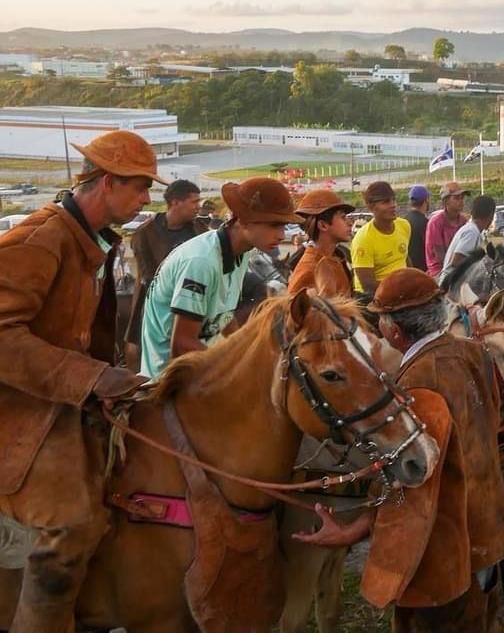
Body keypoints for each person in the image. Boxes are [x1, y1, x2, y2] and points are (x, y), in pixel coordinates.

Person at [294, 268, 504, 631]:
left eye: (379, 321)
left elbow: (411, 484)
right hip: (488, 528)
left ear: (394, 331)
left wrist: (353, 531)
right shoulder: (474, 352)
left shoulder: (415, 383)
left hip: (444, 554)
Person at [0, 130, 158, 630]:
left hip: (55, 400)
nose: (146, 200)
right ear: (108, 182)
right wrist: (91, 377)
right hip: (17, 408)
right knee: (72, 524)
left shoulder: (86, 238)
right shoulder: (41, 239)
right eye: (140, 187)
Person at [139, 178, 300, 378]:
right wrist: (238, 365)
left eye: (284, 226)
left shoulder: (241, 252)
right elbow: (182, 345)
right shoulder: (201, 261)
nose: (281, 235)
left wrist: (244, 349)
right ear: (243, 221)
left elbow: (222, 315)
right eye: (274, 225)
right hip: (170, 378)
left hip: (204, 363)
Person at [124, 178, 206, 371]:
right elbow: (148, 275)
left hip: (196, 299)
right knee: (139, 350)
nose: (198, 206)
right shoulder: (145, 233)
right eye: (194, 202)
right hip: (154, 301)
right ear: (176, 203)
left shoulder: (200, 230)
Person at [288, 188, 356, 297]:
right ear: (323, 225)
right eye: (343, 217)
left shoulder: (336, 257)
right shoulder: (309, 270)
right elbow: (294, 305)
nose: (350, 223)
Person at [351, 181, 410, 294]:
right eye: (386, 202)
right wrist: (401, 288)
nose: (393, 205)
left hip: (402, 292)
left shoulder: (404, 225)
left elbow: (404, 257)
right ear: (370, 206)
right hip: (372, 296)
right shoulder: (363, 239)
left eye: (393, 199)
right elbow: (368, 286)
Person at [441, 194, 496, 280]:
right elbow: (456, 261)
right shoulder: (472, 232)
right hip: (451, 283)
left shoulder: (473, 230)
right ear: (491, 215)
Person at [424, 181, 470, 278]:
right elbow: (439, 256)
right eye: (456, 198)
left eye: (462, 198)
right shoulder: (435, 222)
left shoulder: (463, 220)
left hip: (458, 268)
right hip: (439, 271)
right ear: (445, 201)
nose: (461, 201)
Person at [405, 184, 431, 272]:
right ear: (426, 200)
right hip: (423, 272)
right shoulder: (427, 224)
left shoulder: (403, 221)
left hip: (407, 271)